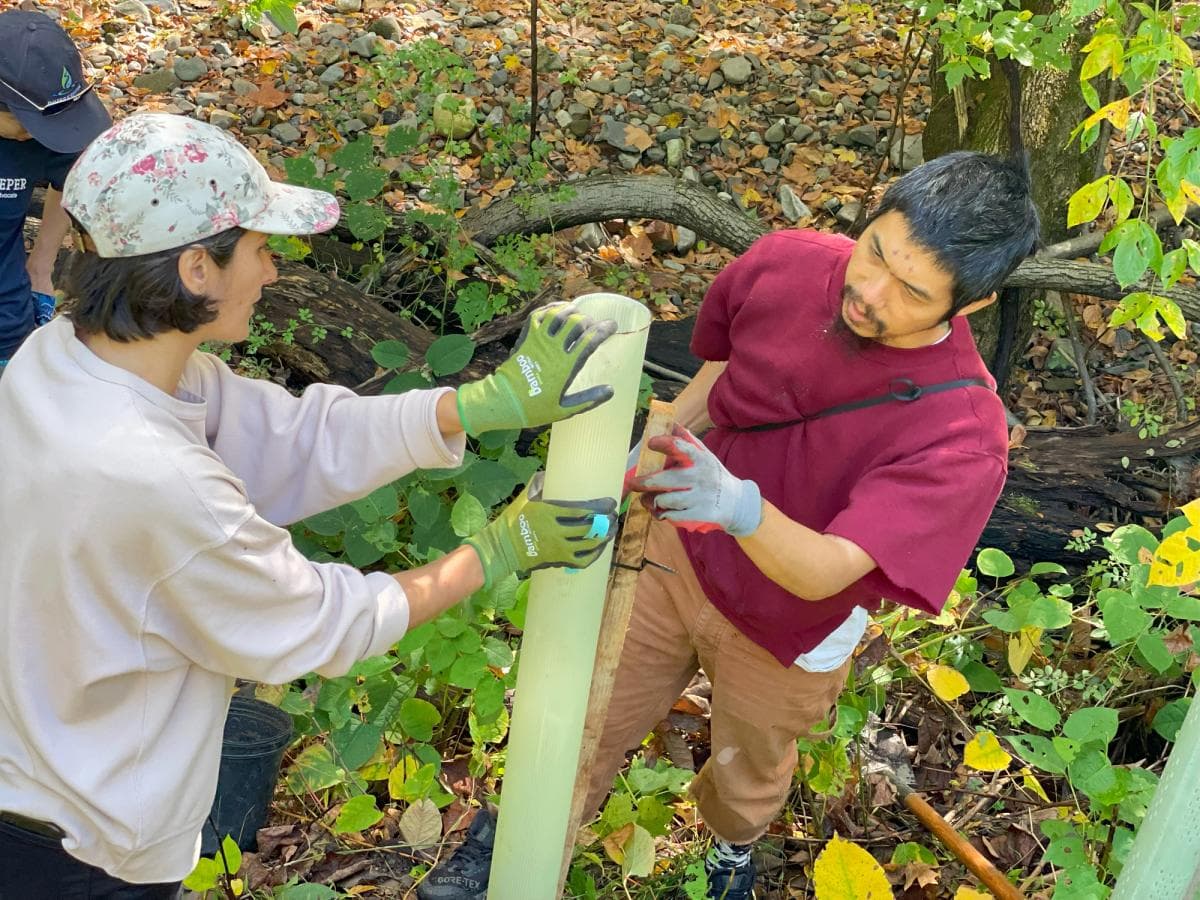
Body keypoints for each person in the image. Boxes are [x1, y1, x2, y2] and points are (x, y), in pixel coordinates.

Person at [0, 112, 620, 898]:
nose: (272, 270)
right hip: (79, 854)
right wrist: (492, 555)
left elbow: (291, 435)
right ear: (197, 269)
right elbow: (319, 622)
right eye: (260, 249)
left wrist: (475, 407)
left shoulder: (64, 359)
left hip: (35, 769)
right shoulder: (153, 478)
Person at [420, 152, 1041, 900]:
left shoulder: (963, 434)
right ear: (874, 216)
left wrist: (740, 507)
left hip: (791, 624)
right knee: (586, 714)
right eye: (875, 251)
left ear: (968, 306)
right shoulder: (787, 264)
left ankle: (731, 849)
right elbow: (725, 378)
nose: (869, 293)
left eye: (910, 292)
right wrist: (624, 470)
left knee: (749, 766)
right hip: (676, 553)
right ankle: (512, 851)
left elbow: (824, 571)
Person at [0, 8, 111, 375]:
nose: (38, 135)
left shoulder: (44, 134)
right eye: (28, 123)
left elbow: (74, 177)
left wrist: (42, 264)